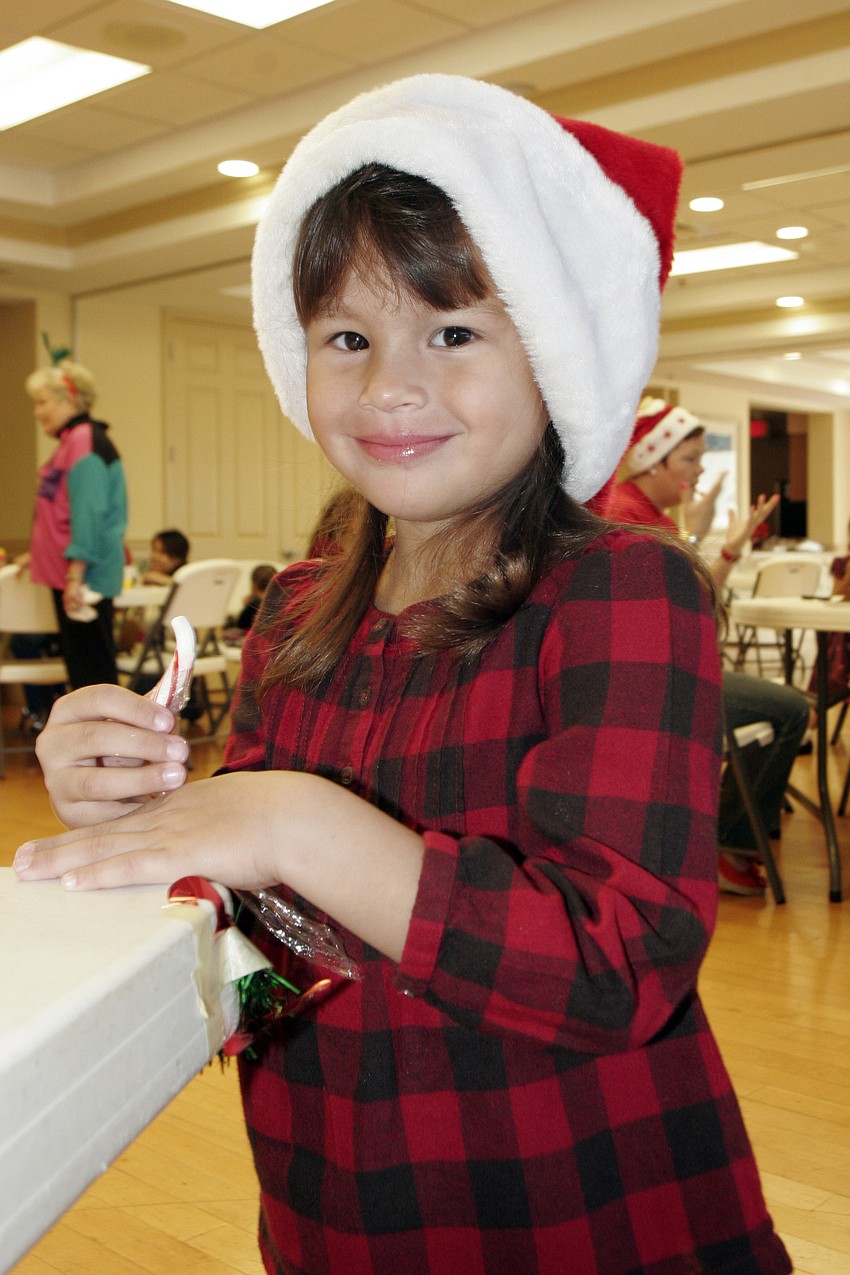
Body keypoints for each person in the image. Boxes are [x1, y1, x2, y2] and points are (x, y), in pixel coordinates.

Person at [14, 75, 791, 1275]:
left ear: (558, 352)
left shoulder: (623, 592)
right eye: (347, 337)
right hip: (340, 1206)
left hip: (587, 1217)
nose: (388, 386)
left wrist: (293, 823)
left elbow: (616, 967)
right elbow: (273, 940)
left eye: (455, 331)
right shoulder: (298, 610)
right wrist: (148, 811)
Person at [607, 397, 809, 896]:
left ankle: (740, 832)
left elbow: (694, 604)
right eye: (690, 459)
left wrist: (713, 542)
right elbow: (694, 610)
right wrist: (710, 540)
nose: (699, 471)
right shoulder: (630, 515)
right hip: (655, 688)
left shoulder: (646, 512)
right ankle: (730, 840)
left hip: (667, 674)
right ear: (654, 460)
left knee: (786, 709)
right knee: (790, 711)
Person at [18, 360, 126, 689]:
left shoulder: (83, 441)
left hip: (83, 578)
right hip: (71, 575)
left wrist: (75, 575)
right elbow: (58, 510)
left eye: (42, 402)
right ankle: (95, 739)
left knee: (91, 673)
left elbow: (88, 514)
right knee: (83, 669)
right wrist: (34, 555)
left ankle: (104, 740)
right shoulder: (72, 443)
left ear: (69, 399)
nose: (37, 412)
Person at [235, 563, 277, 631]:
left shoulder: (253, 604)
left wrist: (245, 606)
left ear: (254, 584)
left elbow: (240, 625)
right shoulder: (280, 602)